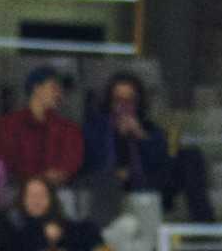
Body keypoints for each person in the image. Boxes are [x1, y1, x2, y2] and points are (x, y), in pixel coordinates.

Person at [81, 71, 214, 222]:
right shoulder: (96, 129)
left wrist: (141, 136)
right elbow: (93, 160)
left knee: (190, 156)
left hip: (148, 181)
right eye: (118, 100)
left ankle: (205, 225)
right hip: (112, 184)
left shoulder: (148, 128)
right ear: (109, 101)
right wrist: (117, 137)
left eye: (130, 100)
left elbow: (165, 160)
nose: (124, 106)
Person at [0, 174, 107, 251]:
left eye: (42, 195)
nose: (36, 200)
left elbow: (87, 231)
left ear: (51, 198)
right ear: (22, 199)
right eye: (31, 196)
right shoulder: (12, 225)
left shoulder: (63, 224)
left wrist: (60, 234)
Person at [0, 69, 85, 193]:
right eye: (54, 87)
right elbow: (4, 164)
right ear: (37, 88)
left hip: (58, 195)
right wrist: (37, 178)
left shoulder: (69, 129)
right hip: (18, 193)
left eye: (60, 89)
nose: (59, 94)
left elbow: (71, 163)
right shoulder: (9, 125)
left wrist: (59, 175)